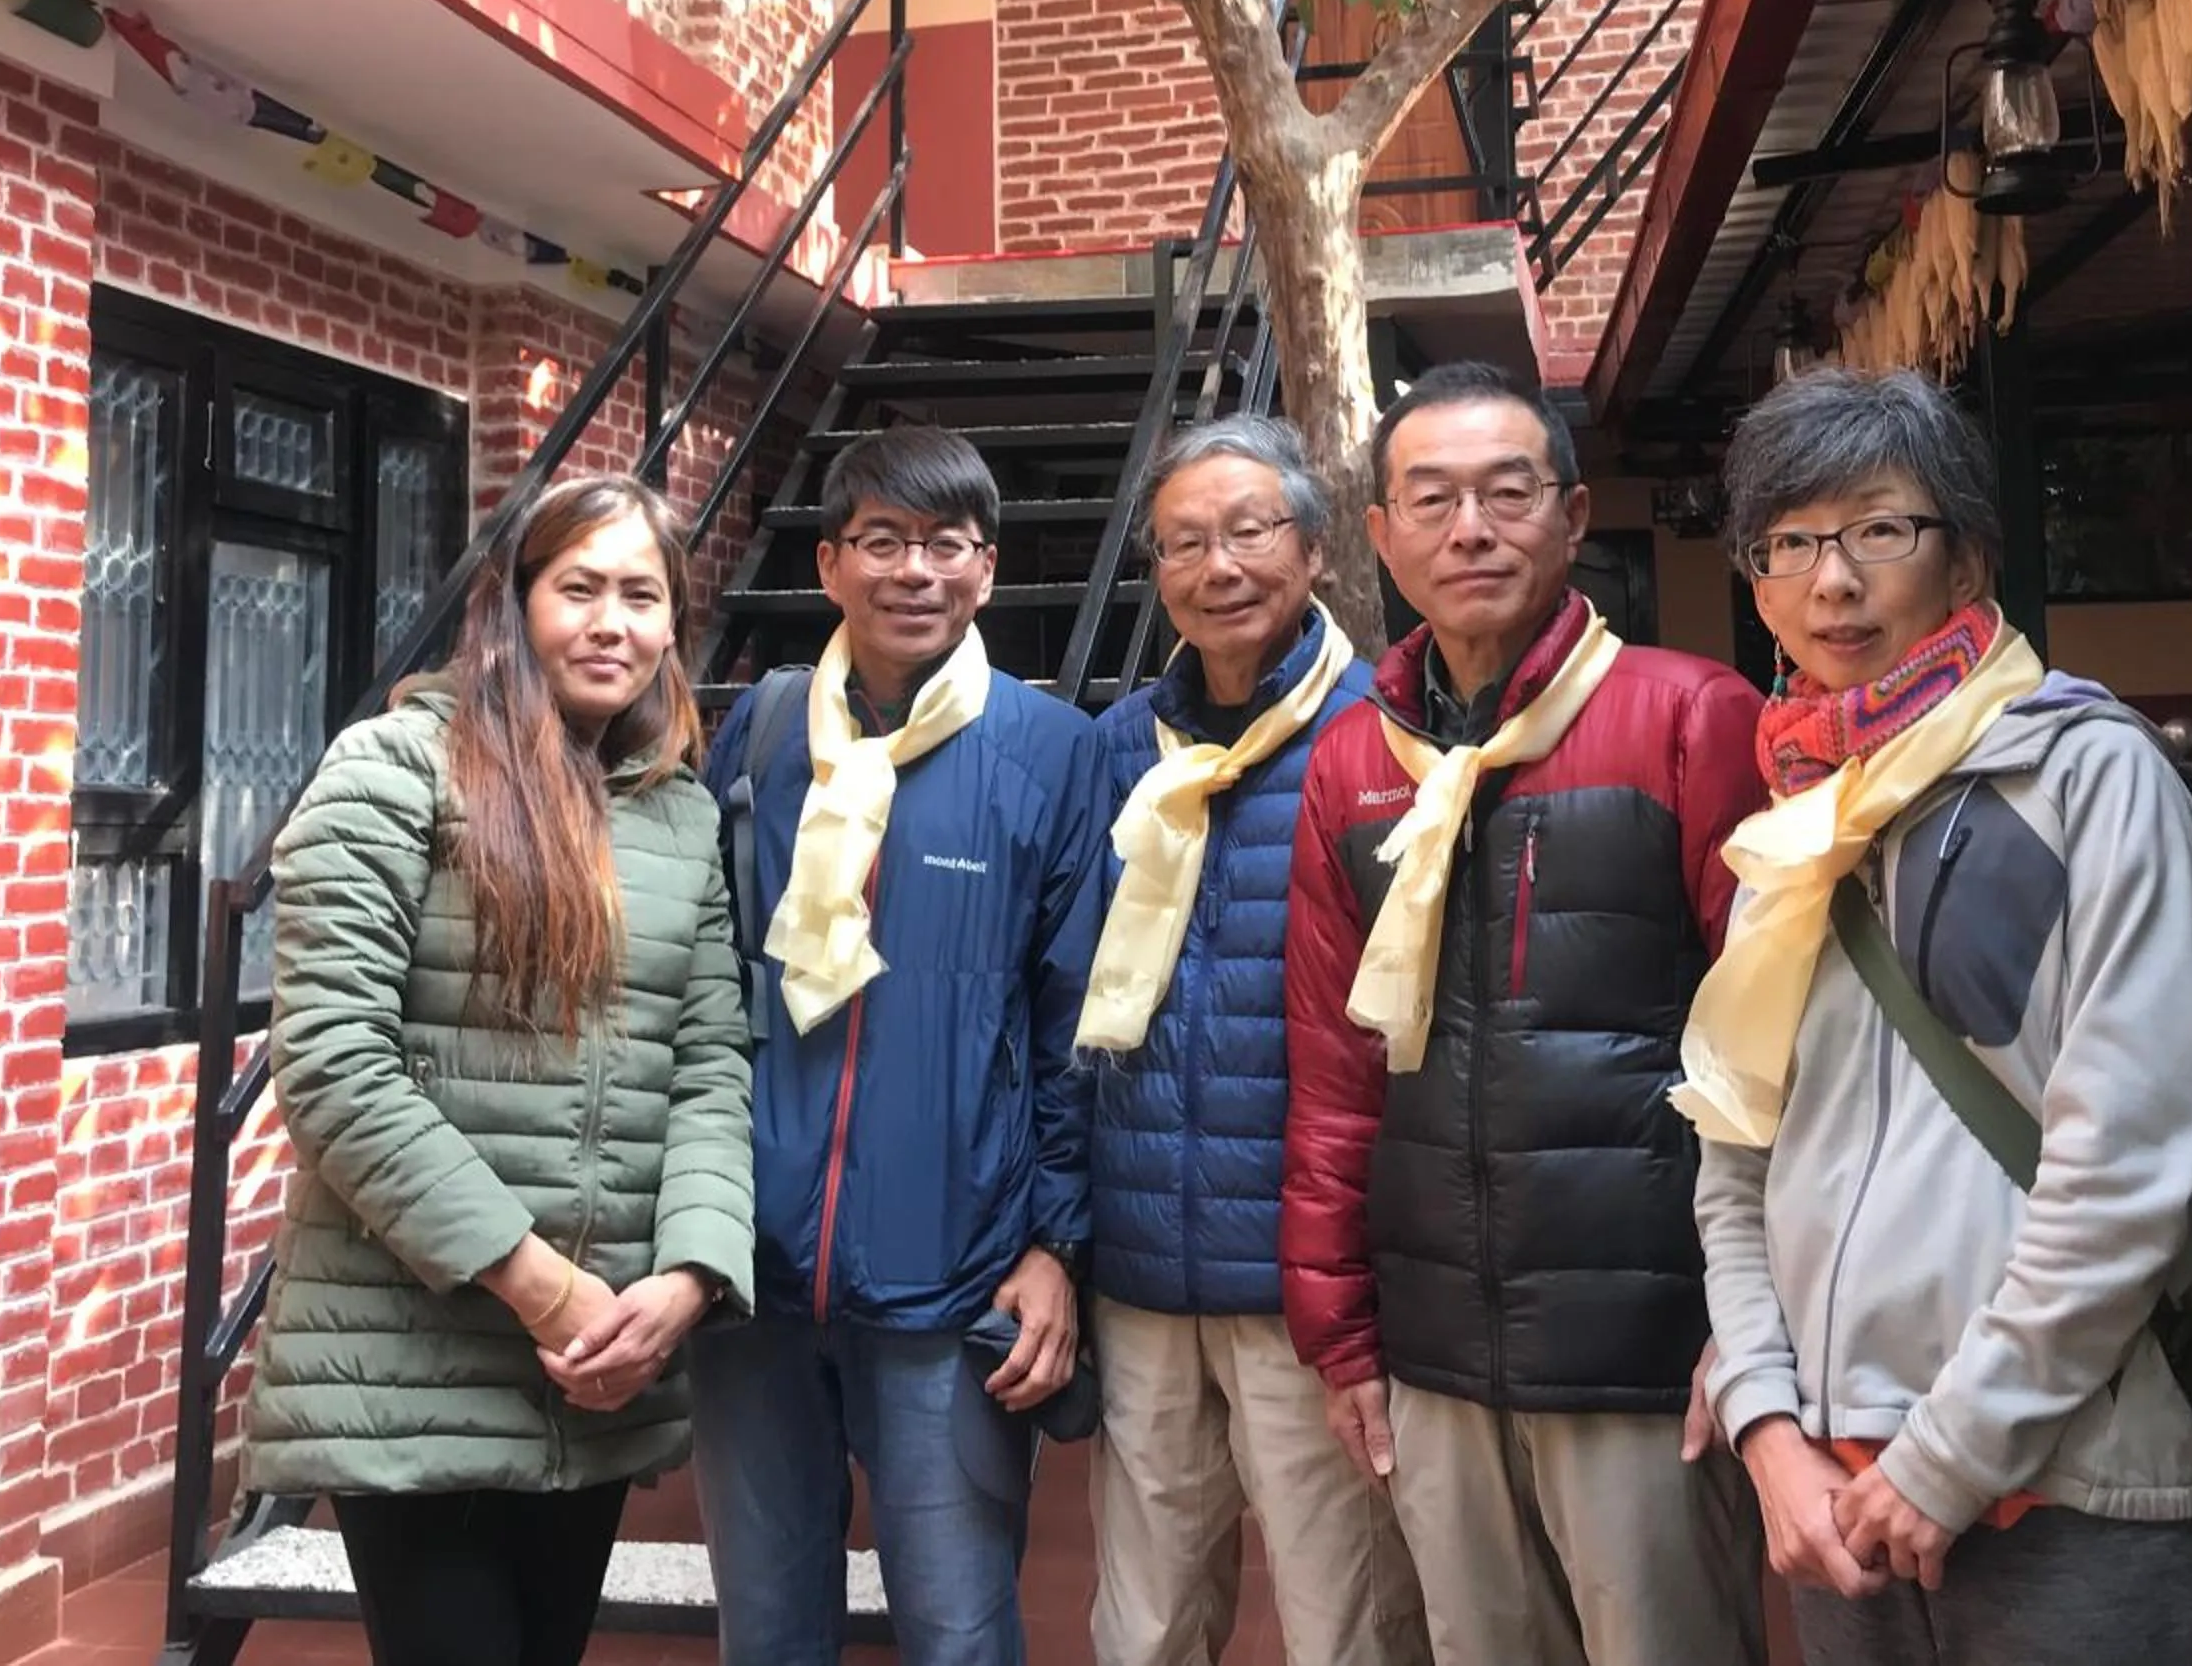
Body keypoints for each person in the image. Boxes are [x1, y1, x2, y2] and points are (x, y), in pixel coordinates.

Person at [1684, 364, 2192, 1666]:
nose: (1834, 580)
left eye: (1880, 529)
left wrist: (1951, 1452)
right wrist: (1767, 1425)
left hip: (2067, 1481)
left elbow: (2132, 1163)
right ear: (1757, 580)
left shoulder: (2089, 777)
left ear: (1969, 556)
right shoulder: (1791, 829)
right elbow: (1732, 1160)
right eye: (1792, 543)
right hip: (1835, 1494)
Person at [1280, 361, 1770, 1666]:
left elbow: (1787, 1050)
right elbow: (1334, 1073)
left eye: (1508, 492)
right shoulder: (1355, 759)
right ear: (1379, 535)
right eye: (1429, 499)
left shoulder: (1691, 716)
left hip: (1648, 1349)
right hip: (1435, 1345)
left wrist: (1759, 1322)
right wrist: (1340, 1334)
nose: (1470, 528)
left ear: (1572, 513)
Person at [247, 475, 755, 1666]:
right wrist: (541, 1287)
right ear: (514, 602)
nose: (611, 622)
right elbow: (330, 1066)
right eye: (578, 588)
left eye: (642, 594)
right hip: (422, 1355)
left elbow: (711, 1062)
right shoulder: (393, 769)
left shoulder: (678, 813)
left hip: (597, 1368)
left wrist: (686, 1277)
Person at [694, 425, 1106, 1666]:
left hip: (955, 1269)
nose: (912, 571)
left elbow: (1077, 1020)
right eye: (881, 541)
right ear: (828, 565)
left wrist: (1056, 1245)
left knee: (958, 1626)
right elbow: (702, 985)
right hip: (752, 1275)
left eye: (945, 545)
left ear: (987, 571)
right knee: (766, 1629)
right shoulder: (762, 736)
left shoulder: (1051, 753)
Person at [1077, 416, 1428, 1666]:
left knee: (1350, 1619)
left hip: (1306, 1277)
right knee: (1147, 1618)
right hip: (1141, 1266)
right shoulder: (1121, 750)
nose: (1218, 566)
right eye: (1184, 542)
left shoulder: (1387, 741)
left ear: (1318, 549)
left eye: (1248, 530)